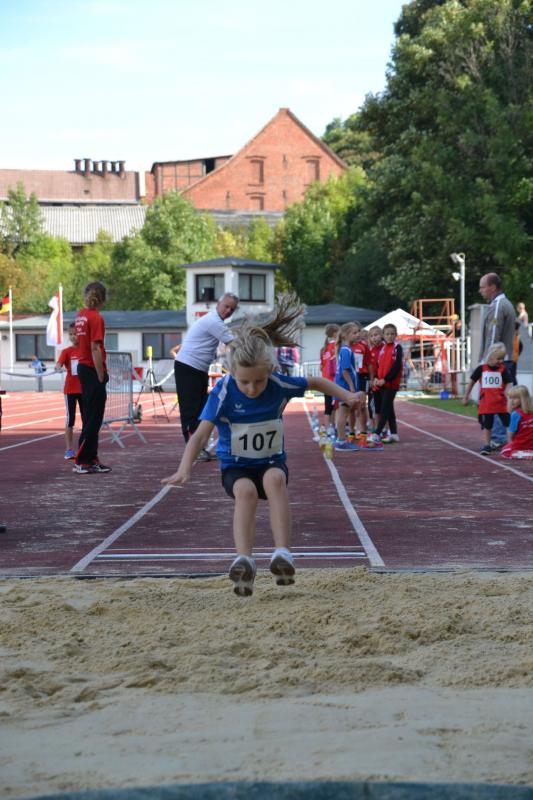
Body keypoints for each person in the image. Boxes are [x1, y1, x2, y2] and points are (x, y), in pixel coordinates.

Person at [161, 295, 362, 597]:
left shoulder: (278, 384)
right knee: (246, 492)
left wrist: (347, 396)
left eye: (258, 381)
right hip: (236, 467)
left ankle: (283, 554)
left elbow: (317, 382)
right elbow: (201, 435)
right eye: (245, 382)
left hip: (270, 462)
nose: (252, 388)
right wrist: (184, 468)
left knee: (275, 480)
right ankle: (244, 560)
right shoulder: (223, 391)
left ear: (269, 371)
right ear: (232, 373)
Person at [174, 292, 238, 462]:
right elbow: (235, 344)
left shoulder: (216, 322)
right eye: (226, 306)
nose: (228, 311)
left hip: (198, 369)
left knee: (201, 409)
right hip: (188, 367)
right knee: (191, 410)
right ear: (218, 304)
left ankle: (197, 448)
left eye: (232, 309)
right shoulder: (213, 322)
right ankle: (193, 449)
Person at [73, 281, 111, 474]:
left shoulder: (81, 315)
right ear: (102, 297)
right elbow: (95, 347)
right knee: (94, 418)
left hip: (83, 366)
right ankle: (82, 460)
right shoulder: (96, 318)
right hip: (91, 368)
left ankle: (91, 458)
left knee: (92, 416)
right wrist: (100, 374)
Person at [463, 342, 513, 456]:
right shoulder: (481, 369)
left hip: (501, 403)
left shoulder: (503, 370)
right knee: (488, 425)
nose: (501, 361)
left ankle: (511, 444)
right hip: (487, 403)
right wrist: (466, 396)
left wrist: (507, 392)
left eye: (502, 358)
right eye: (498, 358)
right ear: (491, 356)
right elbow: (471, 382)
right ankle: (487, 444)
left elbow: (509, 382)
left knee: (508, 423)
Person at [368, 323, 403, 444]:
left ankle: (377, 434)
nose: (390, 336)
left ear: (396, 335)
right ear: (384, 335)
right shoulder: (383, 349)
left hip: (391, 384)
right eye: (387, 334)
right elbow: (379, 366)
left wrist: (386, 379)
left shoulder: (397, 348)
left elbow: (396, 366)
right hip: (382, 384)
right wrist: (376, 378)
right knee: (389, 409)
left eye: (392, 334)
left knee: (384, 409)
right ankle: (394, 434)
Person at [55, 323, 84, 460]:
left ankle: (84, 448)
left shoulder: (86, 350)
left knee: (86, 419)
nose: (73, 337)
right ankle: (68, 449)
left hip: (84, 389)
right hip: (70, 390)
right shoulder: (66, 351)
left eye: (75, 334)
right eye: (71, 334)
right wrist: (58, 367)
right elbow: (59, 364)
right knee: (70, 419)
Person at [333, 323, 361, 451]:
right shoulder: (345, 350)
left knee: (344, 412)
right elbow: (345, 371)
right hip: (344, 386)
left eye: (358, 332)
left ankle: (341, 439)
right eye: (354, 333)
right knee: (343, 413)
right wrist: (351, 386)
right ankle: (341, 440)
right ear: (345, 335)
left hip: (344, 385)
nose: (358, 335)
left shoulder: (346, 349)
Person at [500, 385, 533, 460]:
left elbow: (511, 435)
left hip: (520, 445)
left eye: (515, 398)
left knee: (504, 451)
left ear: (523, 399)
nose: (511, 401)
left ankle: (526, 454)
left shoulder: (515, 414)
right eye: (510, 398)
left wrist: (511, 444)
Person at [319, 323, 339, 432]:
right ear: (335, 333)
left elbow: (321, 367)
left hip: (325, 381)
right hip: (334, 380)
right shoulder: (336, 346)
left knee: (328, 406)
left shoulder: (324, 349)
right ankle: (332, 426)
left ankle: (329, 427)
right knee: (334, 405)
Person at [367, 325, 383, 431]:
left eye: (376, 335)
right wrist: (371, 379)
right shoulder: (370, 350)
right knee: (375, 407)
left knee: (385, 407)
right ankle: (377, 428)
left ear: (381, 335)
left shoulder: (384, 348)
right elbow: (371, 367)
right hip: (374, 382)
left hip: (384, 381)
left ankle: (386, 429)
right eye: (372, 336)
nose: (374, 338)